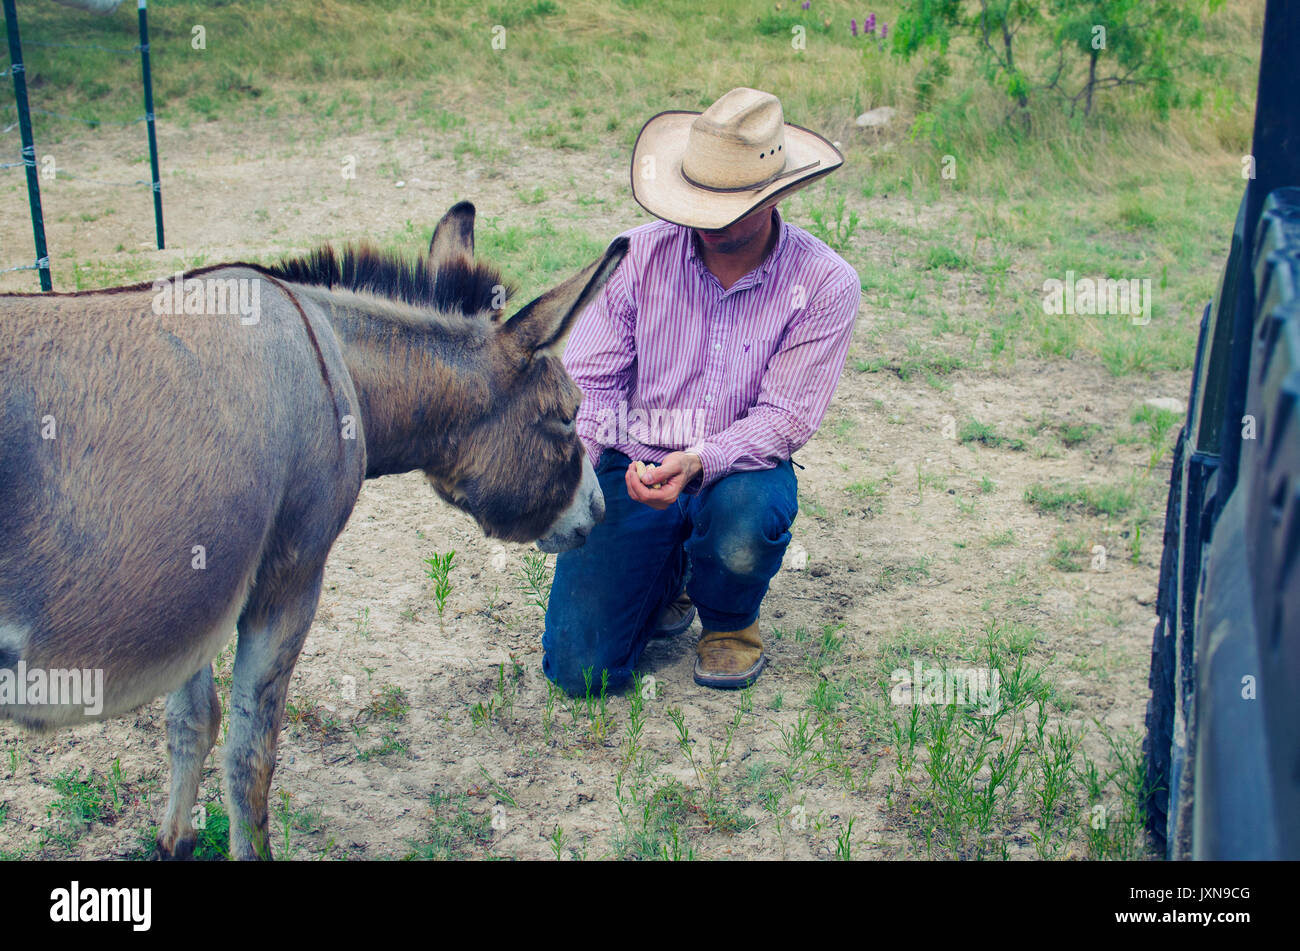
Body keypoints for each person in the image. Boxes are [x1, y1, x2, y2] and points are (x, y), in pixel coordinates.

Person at [542, 87, 861, 693]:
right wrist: (582, 463)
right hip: (633, 462)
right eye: (699, 200)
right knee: (579, 670)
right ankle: (669, 570)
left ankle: (730, 621)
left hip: (738, 470)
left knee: (745, 519)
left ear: (775, 197)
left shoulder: (824, 284)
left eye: (732, 205)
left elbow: (785, 418)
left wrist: (700, 461)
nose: (709, 221)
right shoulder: (636, 257)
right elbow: (593, 383)